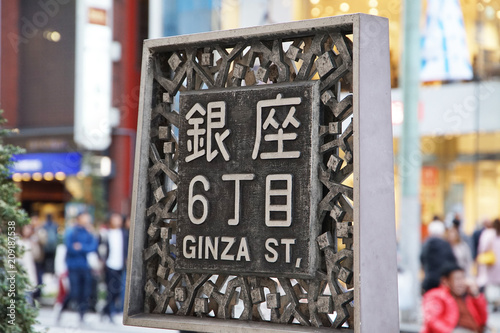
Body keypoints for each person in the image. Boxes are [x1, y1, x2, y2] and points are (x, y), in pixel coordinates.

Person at [421, 262, 488, 333]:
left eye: (463, 278)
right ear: (445, 281)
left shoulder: (467, 296)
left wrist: (476, 295)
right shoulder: (436, 296)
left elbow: (482, 321)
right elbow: (432, 321)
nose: (461, 282)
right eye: (457, 279)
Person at [57, 212, 97, 324]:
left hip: (85, 266)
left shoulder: (88, 232)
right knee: (73, 292)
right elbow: (70, 247)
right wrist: (81, 248)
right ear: (79, 218)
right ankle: (61, 309)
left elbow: (93, 247)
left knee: (85, 292)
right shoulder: (71, 231)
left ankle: (82, 315)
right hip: (73, 266)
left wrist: (81, 247)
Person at [100, 213, 128, 322]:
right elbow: (101, 248)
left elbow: (126, 248)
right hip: (109, 265)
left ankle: (105, 310)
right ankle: (110, 312)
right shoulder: (106, 233)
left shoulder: (124, 233)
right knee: (110, 289)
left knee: (117, 290)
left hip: (120, 265)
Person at [421, 219, 458, 293]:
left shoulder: (425, 244)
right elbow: (452, 261)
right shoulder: (445, 244)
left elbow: (421, 259)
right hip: (442, 281)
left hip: (429, 280)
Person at [476, 218, 500, 311]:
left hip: (493, 264)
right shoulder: (492, 235)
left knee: (492, 284)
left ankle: (494, 301)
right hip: (495, 264)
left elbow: (484, 248)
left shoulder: (489, 234)